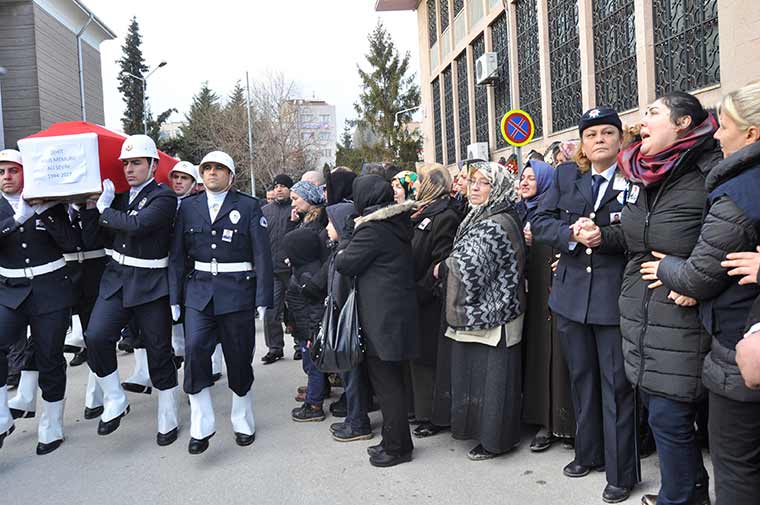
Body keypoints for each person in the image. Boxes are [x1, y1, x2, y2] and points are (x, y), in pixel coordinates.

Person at [642, 82, 760, 505]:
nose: (717, 133)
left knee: (736, 465)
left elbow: (702, 273)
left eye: (724, 125)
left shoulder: (734, 188)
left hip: (736, 344)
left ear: (751, 133)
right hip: (726, 335)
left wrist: (668, 270)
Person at [612, 92, 721, 505]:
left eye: (652, 113)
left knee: (670, 417)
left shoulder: (708, 170)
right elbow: (638, 237)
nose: (641, 121)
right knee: (665, 418)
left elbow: (731, 238)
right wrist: (600, 235)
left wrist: (696, 283)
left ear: (682, 124)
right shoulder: (646, 175)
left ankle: (679, 498)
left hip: (681, 312)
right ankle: (689, 493)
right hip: (644, 311)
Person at [532, 107, 638, 504]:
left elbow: (640, 230)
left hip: (613, 299)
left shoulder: (634, 178)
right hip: (572, 298)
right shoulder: (565, 177)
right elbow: (540, 223)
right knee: (581, 379)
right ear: (581, 143)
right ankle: (587, 451)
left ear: (619, 138)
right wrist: (570, 234)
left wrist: (603, 237)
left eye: (607, 132)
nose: (599, 139)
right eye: (591, 134)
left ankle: (620, 471)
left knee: (617, 387)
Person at [169, 150, 273, 454]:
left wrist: (263, 297)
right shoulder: (188, 207)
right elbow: (177, 255)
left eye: (219, 168)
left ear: (230, 175)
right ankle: (202, 422)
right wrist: (175, 296)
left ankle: (242, 417)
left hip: (238, 291)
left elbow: (261, 256)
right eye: (207, 168)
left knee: (238, 357)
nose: (212, 173)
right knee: (196, 351)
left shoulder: (248, 206)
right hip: (199, 292)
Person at [82, 134, 180, 446]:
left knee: (158, 349)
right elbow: (93, 239)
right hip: (117, 278)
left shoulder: (163, 197)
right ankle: (114, 398)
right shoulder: (119, 198)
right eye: (125, 163)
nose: (129, 169)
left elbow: (138, 225)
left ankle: (168, 412)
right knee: (96, 336)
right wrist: (87, 207)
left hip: (151, 283)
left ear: (152, 165)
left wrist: (104, 209)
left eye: (136, 162)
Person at [440, 161, 525, 461]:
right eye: (472, 181)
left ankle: (495, 441)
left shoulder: (497, 222)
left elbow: (468, 265)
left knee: (494, 381)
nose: (474, 188)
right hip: (482, 312)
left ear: (498, 187)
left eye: (484, 183)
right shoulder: (480, 216)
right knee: (476, 376)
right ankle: (481, 433)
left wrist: (442, 267)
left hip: (497, 313)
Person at [0, 148, 81, 454]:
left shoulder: (51, 204)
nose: (7, 177)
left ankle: (51, 423)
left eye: (13, 170)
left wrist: (44, 211)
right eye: (2, 172)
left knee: (49, 357)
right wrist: (17, 218)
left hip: (51, 288)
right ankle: (1, 416)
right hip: (10, 289)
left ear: (26, 174)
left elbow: (72, 242)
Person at [336, 174, 418, 467]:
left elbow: (345, 263)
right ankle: (394, 439)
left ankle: (397, 448)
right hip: (394, 314)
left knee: (387, 384)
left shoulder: (373, 230)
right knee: (390, 381)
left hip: (382, 318)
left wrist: (345, 242)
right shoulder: (395, 222)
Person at [516, 159, 576, 452]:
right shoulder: (524, 214)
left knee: (561, 358)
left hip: (559, 290)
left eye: (531, 177)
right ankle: (542, 420)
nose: (525, 182)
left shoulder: (558, 209)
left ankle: (564, 424)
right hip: (536, 295)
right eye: (522, 177)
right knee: (540, 354)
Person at [408, 167, 459, 438]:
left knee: (431, 359)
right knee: (420, 357)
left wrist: (421, 289)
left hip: (429, 298)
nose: (416, 187)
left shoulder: (444, 215)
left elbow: (441, 260)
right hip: (417, 295)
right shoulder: (423, 212)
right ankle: (421, 409)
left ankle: (434, 416)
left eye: (421, 182)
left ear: (432, 186)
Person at [324, 202, 374, 442]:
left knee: (351, 375)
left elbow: (340, 290)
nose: (326, 227)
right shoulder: (342, 248)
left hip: (346, 323)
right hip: (349, 321)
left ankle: (357, 422)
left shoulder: (345, 252)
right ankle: (355, 418)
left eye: (330, 222)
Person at [283, 228, 328, 422]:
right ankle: (315, 393)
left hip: (309, 330)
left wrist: (311, 335)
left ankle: (314, 405)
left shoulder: (308, 275)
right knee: (312, 365)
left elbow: (315, 309)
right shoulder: (304, 268)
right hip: (304, 327)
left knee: (313, 367)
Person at [260, 174, 295, 365]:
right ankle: (275, 348)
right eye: (276, 186)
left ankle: (300, 345)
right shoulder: (264, 211)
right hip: (271, 270)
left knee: (296, 309)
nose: (279, 189)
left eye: (283, 186)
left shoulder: (296, 209)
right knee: (271, 311)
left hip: (293, 269)